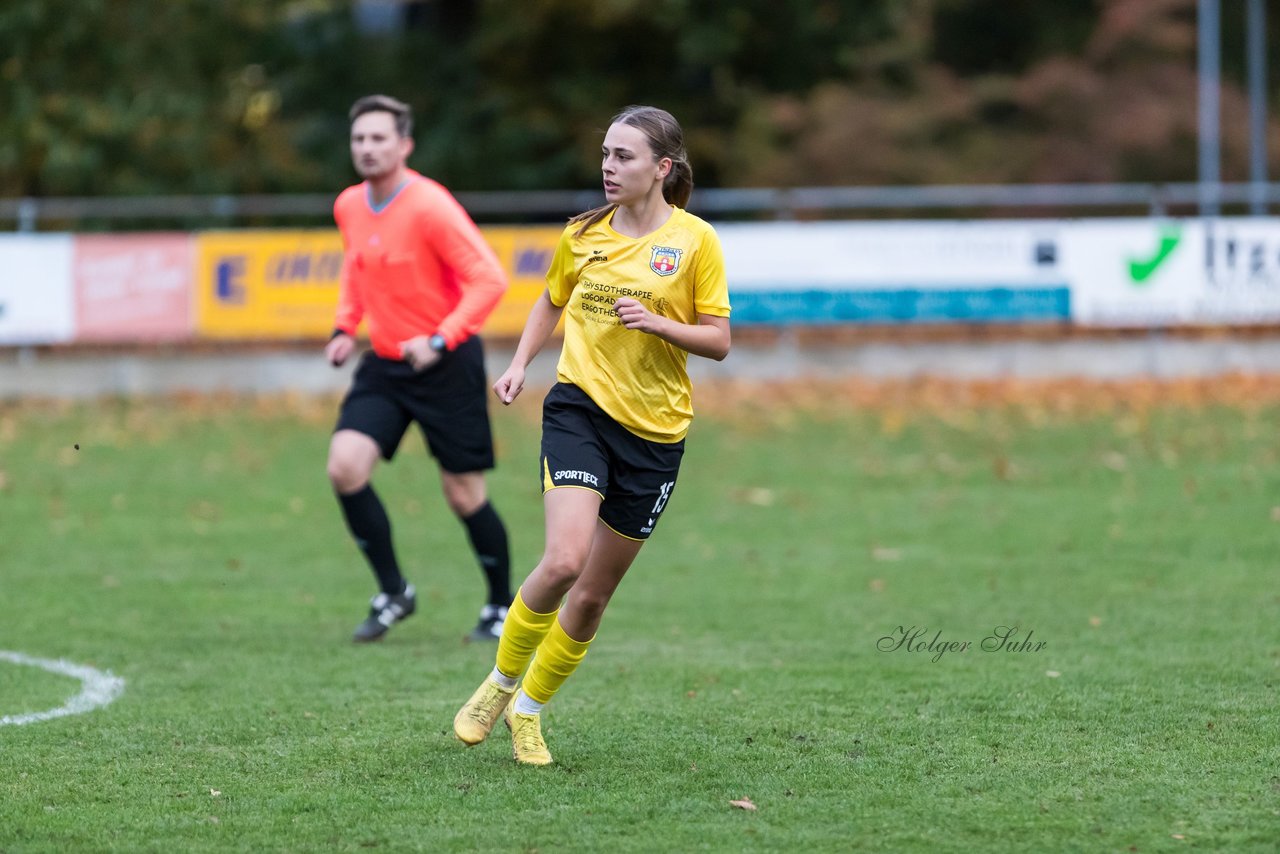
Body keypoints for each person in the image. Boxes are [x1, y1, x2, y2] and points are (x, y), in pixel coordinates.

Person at [451, 105, 731, 765]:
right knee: (565, 561)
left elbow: (718, 341)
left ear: (662, 168)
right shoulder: (582, 234)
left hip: (656, 437)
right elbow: (551, 298)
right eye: (605, 154)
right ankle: (498, 683)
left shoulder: (696, 242)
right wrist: (521, 363)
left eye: (624, 157)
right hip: (579, 410)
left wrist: (660, 323)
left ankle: (529, 712)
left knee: (595, 593)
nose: (609, 167)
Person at [325, 94, 514, 643]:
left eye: (379, 138)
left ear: (404, 145)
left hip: (446, 363)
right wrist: (344, 326)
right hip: (385, 365)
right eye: (359, 138)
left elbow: (490, 280)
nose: (367, 148)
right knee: (344, 467)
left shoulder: (431, 206)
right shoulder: (349, 205)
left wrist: (440, 338)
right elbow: (357, 268)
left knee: (463, 494)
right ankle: (393, 592)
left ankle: (501, 605)